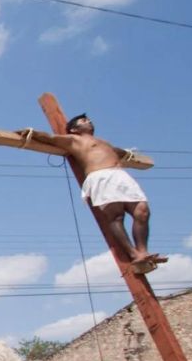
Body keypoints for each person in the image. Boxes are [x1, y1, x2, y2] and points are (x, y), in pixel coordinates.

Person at [19, 115, 165, 272]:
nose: (89, 121)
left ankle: (143, 251)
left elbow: (119, 152)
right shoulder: (73, 140)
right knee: (116, 216)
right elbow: (50, 137)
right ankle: (134, 253)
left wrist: (128, 154)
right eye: (83, 121)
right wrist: (31, 132)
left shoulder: (105, 142)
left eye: (89, 120)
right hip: (100, 176)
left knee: (142, 211)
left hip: (120, 176)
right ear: (74, 129)